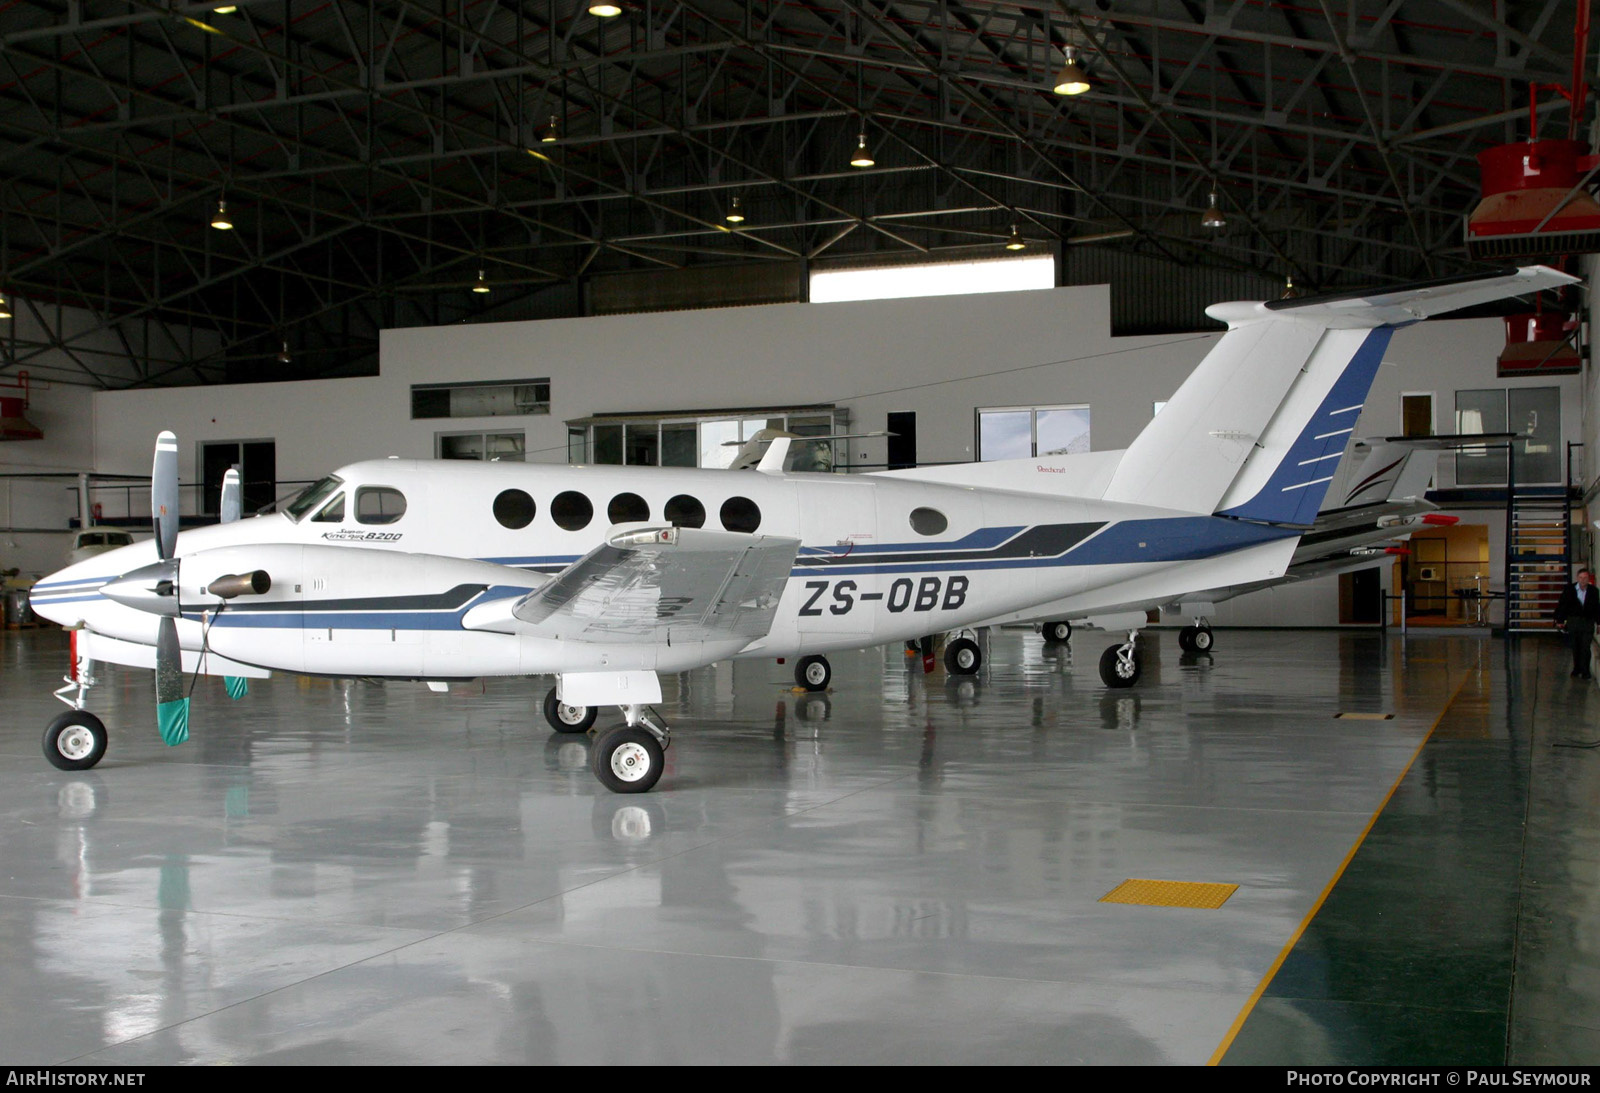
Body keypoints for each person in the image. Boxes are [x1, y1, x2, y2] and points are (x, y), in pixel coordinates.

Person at [1554, 567, 1600, 679]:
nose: (1583, 580)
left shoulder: (1594, 591)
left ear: (1588, 579)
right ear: (1577, 578)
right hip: (1574, 621)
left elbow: (1597, 608)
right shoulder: (1569, 590)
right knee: (1575, 646)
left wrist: (1599, 622)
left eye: (1585, 578)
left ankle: (1585, 671)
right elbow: (1563, 605)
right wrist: (1559, 620)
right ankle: (1577, 668)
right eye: (1581, 578)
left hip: (1587, 622)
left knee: (1585, 646)